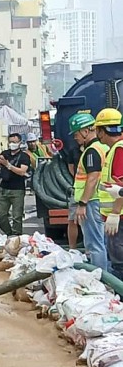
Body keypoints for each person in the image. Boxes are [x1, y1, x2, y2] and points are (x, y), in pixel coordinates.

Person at [70, 112, 110, 272]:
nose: (75, 138)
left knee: (94, 243)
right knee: (103, 241)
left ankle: (99, 280)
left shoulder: (92, 151)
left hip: (91, 202)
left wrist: (82, 203)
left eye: (76, 134)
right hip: (101, 201)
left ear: (85, 131)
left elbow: (92, 178)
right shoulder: (105, 147)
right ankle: (108, 276)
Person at [95, 109, 123, 279]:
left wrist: (114, 214)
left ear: (101, 130)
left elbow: (120, 185)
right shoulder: (114, 149)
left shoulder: (119, 150)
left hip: (119, 218)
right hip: (116, 217)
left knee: (119, 263)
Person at [0, 133, 31, 236]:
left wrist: (8, 165)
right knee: (1, 216)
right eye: (10, 142)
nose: (12, 144)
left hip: (17, 189)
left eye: (14, 142)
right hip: (4, 188)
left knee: (17, 216)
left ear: (20, 143)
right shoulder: (5, 153)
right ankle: (8, 233)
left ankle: (17, 235)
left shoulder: (24, 156)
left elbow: (22, 171)